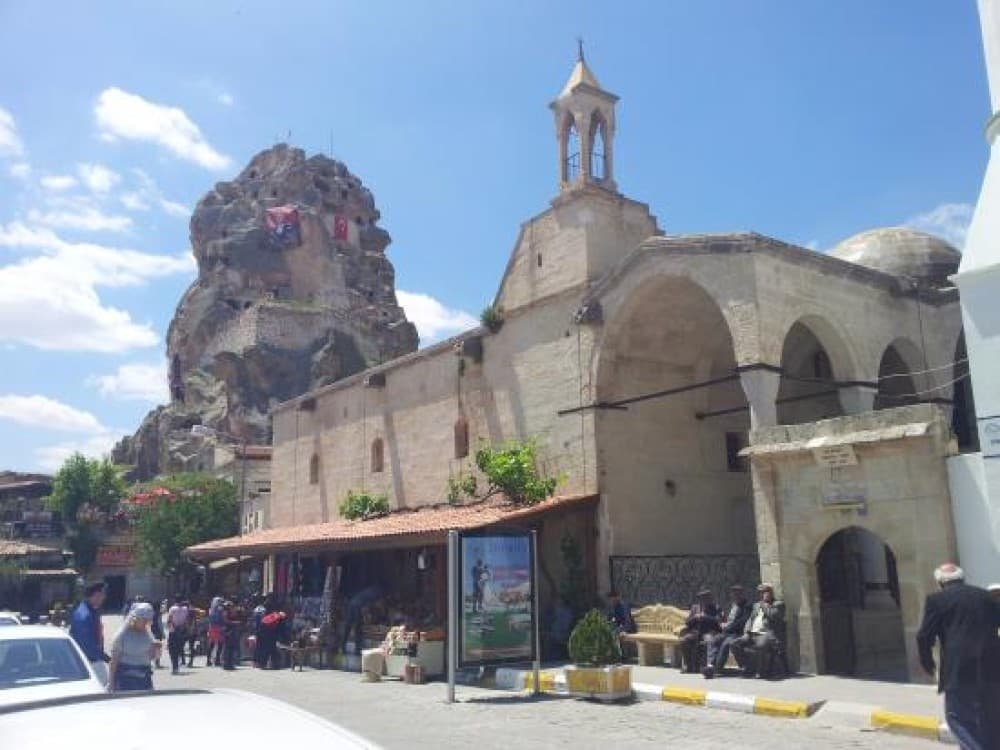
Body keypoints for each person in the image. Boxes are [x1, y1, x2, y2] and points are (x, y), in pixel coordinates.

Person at [916, 563, 1000, 750]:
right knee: (990, 720)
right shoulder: (986, 596)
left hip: (960, 669)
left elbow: (924, 636)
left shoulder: (937, 600)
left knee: (958, 718)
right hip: (993, 667)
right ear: (962, 578)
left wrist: (927, 663)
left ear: (939, 582)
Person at [732, 583, 785, 678]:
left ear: (771, 593)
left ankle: (761, 671)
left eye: (764, 592)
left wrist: (764, 604)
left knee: (760, 645)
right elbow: (750, 619)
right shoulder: (756, 605)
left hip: (766, 634)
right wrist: (746, 632)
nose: (762, 594)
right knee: (735, 644)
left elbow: (773, 616)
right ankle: (747, 667)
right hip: (752, 633)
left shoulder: (778, 604)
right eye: (760, 593)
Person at [703, 584, 752, 679]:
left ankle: (717, 668)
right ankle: (710, 665)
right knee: (714, 640)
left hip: (739, 633)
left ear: (742, 594)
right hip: (728, 632)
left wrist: (728, 627)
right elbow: (730, 620)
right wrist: (724, 624)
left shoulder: (747, 606)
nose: (735, 597)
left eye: (738, 594)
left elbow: (742, 622)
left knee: (726, 644)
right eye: (734, 595)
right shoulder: (734, 606)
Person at [108, 602, 159, 692]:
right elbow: (114, 661)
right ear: (135, 619)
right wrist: (111, 683)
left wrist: (157, 649)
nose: (147, 623)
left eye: (149, 621)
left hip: (144, 677)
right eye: (144, 620)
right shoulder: (122, 635)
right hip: (125, 679)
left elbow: (152, 657)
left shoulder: (148, 635)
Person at [69, 581, 110, 686]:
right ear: (95, 595)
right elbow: (86, 645)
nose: (103, 597)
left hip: (93, 660)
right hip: (87, 663)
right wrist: (106, 658)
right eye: (101, 595)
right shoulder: (84, 615)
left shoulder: (91, 611)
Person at [679, 589, 720, 673]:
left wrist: (705, 617)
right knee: (684, 640)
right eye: (701, 598)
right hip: (695, 632)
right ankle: (688, 665)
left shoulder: (715, 608)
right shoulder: (695, 608)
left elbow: (717, 621)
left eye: (706, 598)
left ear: (710, 598)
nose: (704, 600)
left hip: (708, 632)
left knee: (709, 641)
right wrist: (695, 617)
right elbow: (687, 622)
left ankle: (708, 666)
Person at [341, 583, 384, 654]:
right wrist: (366, 618)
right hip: (358, 606)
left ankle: (343, 646)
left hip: (352, 603)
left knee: (348, 626)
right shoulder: (375, 594)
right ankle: (357, 649)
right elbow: (365, 607)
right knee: (358, 628)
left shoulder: (370, 591)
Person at [165, 594, 189, 674]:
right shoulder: (185, 609)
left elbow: (169, 620)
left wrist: (170, 627)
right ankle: (177, 666)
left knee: (172, 650)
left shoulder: (172, 608)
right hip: (181, 631)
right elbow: (186, 621)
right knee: (179, 649)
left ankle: (174, 666)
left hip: (173, 631)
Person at [206, 596, 225, 667]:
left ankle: (208, 660)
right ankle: (217, 660)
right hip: (219, 627)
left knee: (211, 644)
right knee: (220, 644)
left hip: (212, 627)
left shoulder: (210, 609)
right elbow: (222, 618)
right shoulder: (220, 609)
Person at [150, 599, 165, 669]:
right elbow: (160, 624)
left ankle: (150, 662)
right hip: (158, 632)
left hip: (151, 631)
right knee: (158, 648)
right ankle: (157, 663)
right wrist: (163, 633)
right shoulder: (158, 614)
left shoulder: (150, 613)